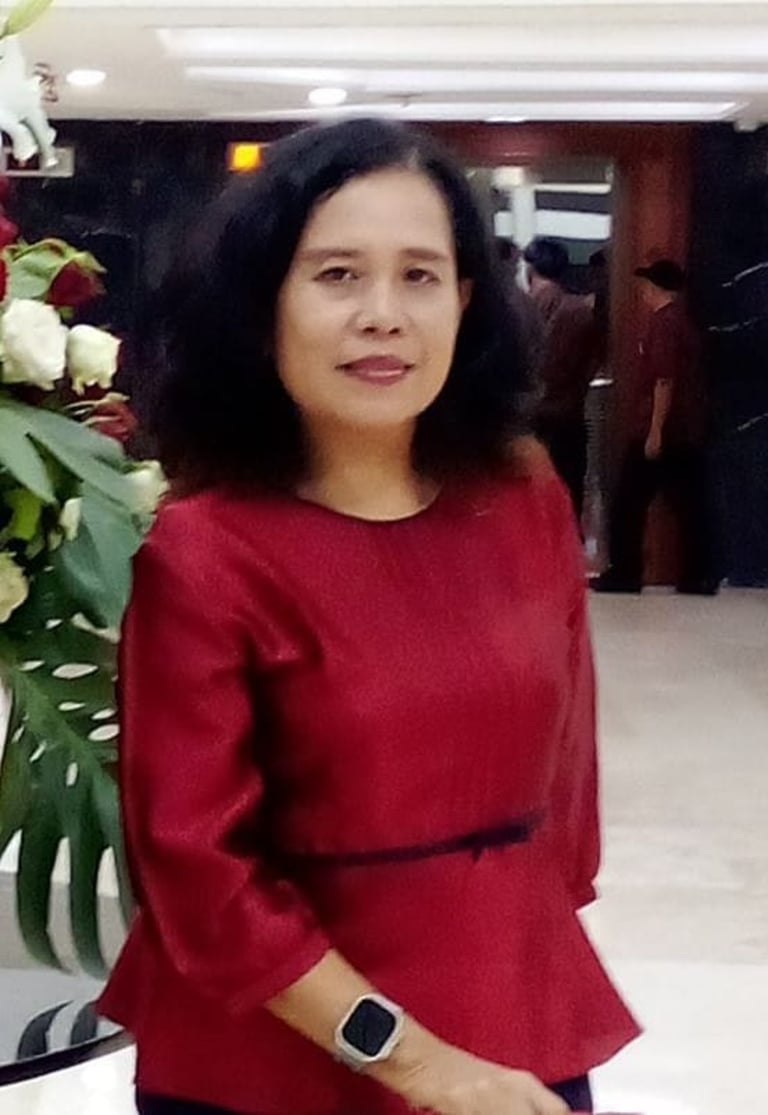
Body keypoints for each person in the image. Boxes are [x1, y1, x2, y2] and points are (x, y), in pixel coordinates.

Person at [98, 118, 639, 1115]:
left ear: (465, 300)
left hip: (510, 1009)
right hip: (272, 1054)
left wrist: (523, 958)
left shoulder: (522, 495)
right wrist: (417, 1061)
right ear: (265, 305)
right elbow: (198, 871)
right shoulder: (207, 550)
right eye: (338, 275)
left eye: (419, 275)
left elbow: (566, 775)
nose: (383, 315)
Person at [594, 259, 718, 594]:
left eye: (647, 284)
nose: (643, 291)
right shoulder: (682, 323)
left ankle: (625, 572)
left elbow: (664, 379)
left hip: (660, 428)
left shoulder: (663, 324)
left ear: (656, 287)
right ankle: (700, 575)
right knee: (689, 503)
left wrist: (655, 430)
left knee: (628, 503)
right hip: (685, 430)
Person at [524, 238, 598, 520]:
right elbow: (592, 362)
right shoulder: (581, 311)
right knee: (569, 492)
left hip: (530, 418)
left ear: (531, 268)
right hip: (569, 414)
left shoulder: (520, 308)